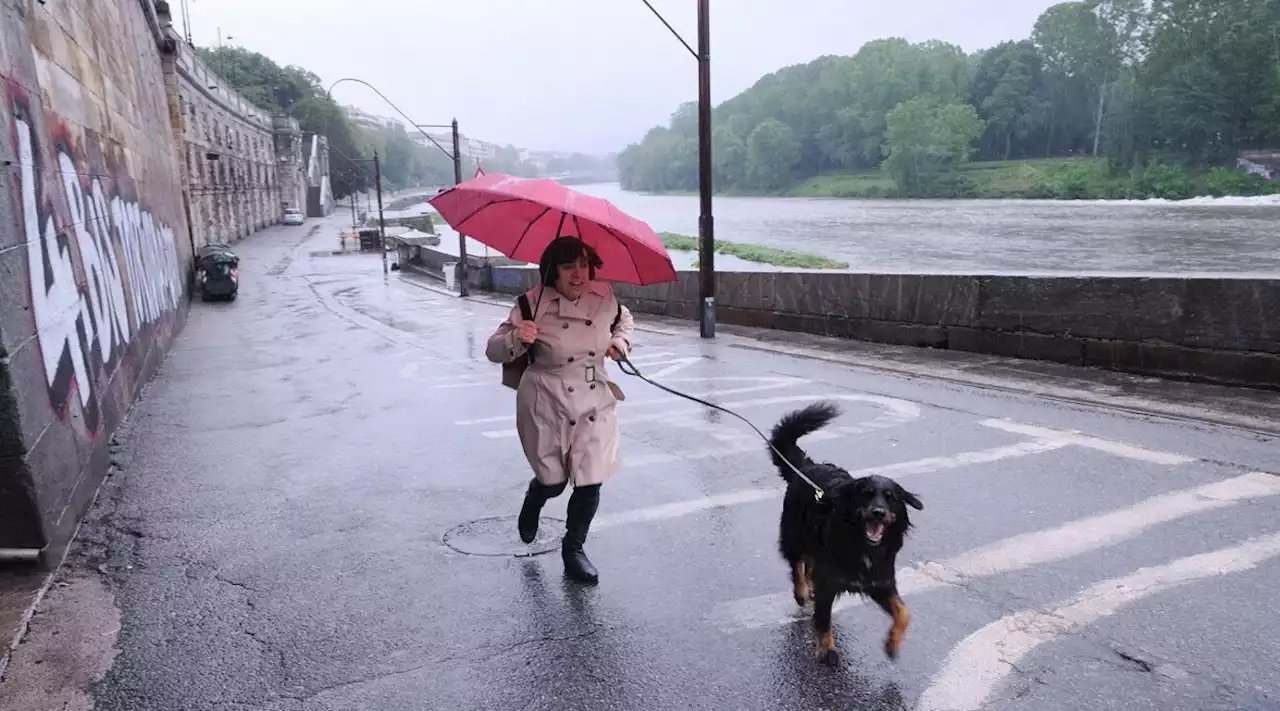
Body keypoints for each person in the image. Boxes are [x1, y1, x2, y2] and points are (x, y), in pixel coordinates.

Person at [486, 236, 636, 584]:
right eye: (569, 266)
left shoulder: (605, 298)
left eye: (584, 264)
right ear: (552, 270)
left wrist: (619, 341)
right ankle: (536, 497)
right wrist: (517, 338)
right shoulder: (530, 305)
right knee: (554, 481)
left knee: (589, 479)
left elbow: (624, 321)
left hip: (594, 395)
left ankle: (574, 549)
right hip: (545, 398)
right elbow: (493, 350)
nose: (578, 273)